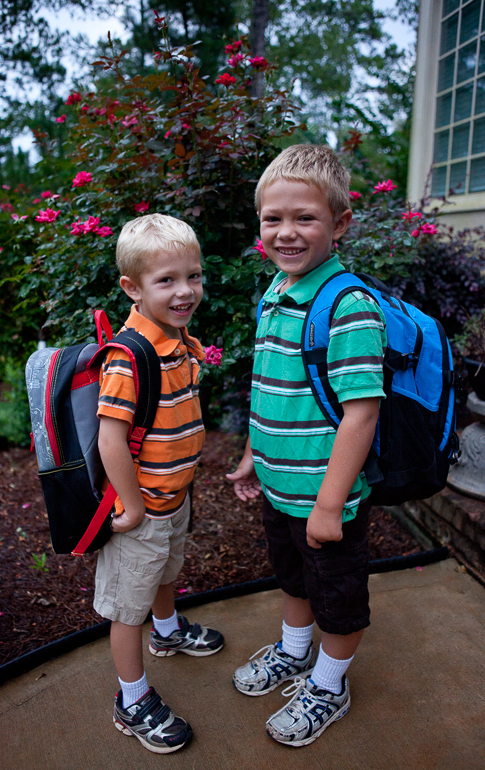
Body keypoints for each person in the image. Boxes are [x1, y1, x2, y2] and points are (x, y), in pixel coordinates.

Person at [226, 144, 387, 747]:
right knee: (291, 577)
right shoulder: (274, 290)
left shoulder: (347, 307)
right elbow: (269, 386)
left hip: (328, 498)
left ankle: (329, 680)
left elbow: (361, 416)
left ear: (340, 223)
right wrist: (251, 453)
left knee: (338, 598)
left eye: (304, 218)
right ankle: (295, 651)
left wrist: (327, 504)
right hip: (279, 483)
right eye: (273, 219)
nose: (285, 232)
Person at [94, 213, 224, 754]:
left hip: (174, 499)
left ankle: (168, 632)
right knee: (128, 607)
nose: (185, 290)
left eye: (192, 276)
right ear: (133, 288)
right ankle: (132, 697)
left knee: (166, 574)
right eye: (166, 280)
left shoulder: (180, 340)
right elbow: (110, 440)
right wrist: (133, 505)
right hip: (142, 509)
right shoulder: (131, 358)